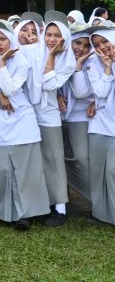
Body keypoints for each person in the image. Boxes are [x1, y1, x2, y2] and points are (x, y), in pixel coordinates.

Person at [0, 21, 50, 231]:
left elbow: (11, 88)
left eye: (2, 39)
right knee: (1, 168)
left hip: (21, 118)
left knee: (25, 170)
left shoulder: (21, 60)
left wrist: (2, 65)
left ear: (10, 39)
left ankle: (26, 214)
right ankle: (4, 211)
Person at [23, 12, 76, 226]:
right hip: (29, 112)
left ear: (65, 39)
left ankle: (60, 208)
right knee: (36, 160)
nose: (52, 40)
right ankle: (43, 204)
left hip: (49, 113)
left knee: (54, 159)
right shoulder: (31, 51)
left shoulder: (68, 60)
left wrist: (52, 57)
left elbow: (49, 85)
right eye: (49, 35)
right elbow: (7, 52)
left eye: (57, 36)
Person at [62, 24, 95, 201]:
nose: (81, 49)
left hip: (80, 116)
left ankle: (94, 198)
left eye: (86, 45)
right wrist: (58, 96)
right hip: (56, 116)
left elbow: (80, 92)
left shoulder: (92, 62)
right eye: (77, 43)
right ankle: (61, 198)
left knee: (81, 158)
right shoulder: (57, 57)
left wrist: (78, 67)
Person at [86, 28, 115, 224]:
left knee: (113, 170)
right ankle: (100, 213)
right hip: (99, 124)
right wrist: (107, 67)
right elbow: (101, 92)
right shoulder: (93, 64)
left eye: (104, 41)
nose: (101, 47)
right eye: (96, 45)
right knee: (97, 171)